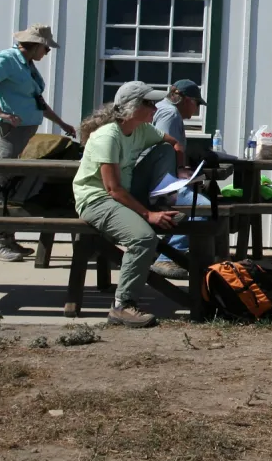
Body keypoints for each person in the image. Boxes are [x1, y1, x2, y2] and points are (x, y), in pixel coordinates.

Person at [73, 82, 187, 327]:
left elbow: (174, 143)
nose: (155, 108)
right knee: (143, 238)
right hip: (97, 200)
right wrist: (147, 215)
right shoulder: (107, 136)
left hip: (121, 195)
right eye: (149, 103)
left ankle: (161, 202)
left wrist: (179, 172)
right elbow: (112, 189)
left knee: (164, 149)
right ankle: (122, 306)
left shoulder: (142, 130)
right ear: (130, 107)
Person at [0, 24, 78, 262]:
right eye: (46, 48)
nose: (47, 53)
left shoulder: (27, 65)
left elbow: (37, 100)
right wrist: (0, 112)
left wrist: (61, 123)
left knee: (14, 183)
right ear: (36, 45)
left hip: (24, 131)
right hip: (7, 131)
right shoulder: (7, 59)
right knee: (3, 180)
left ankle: (8, 237)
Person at [147, 80, 209, 279]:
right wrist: (181, 171)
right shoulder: (169, 113)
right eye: (196, 103)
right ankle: (167, 258)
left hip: (159, 177)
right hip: (159, 182)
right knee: (202, 206)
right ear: (186, 99)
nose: (197, 108)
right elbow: (166, 144)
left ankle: (162, 248)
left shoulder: (166, 111)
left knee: (200, 195)